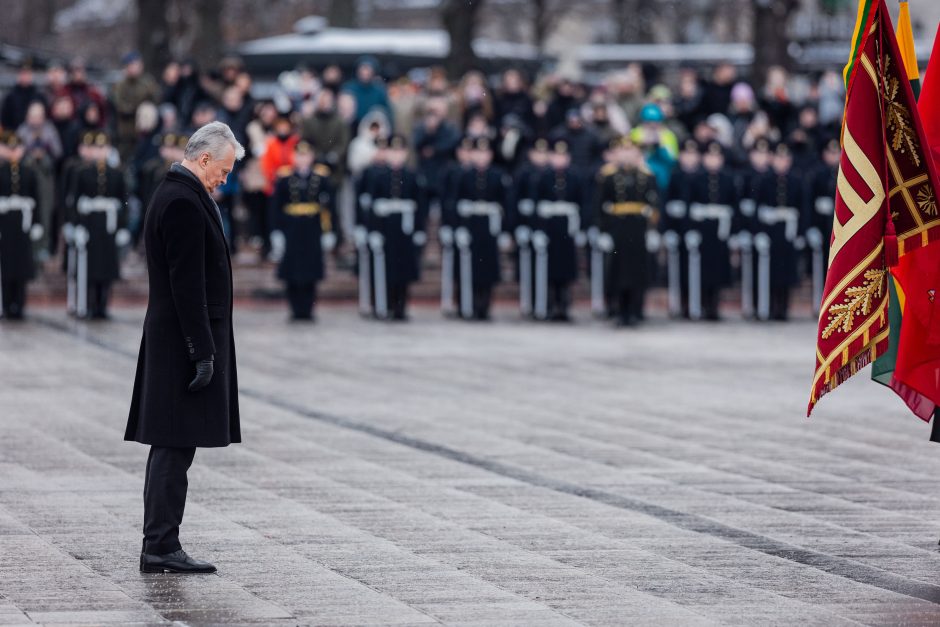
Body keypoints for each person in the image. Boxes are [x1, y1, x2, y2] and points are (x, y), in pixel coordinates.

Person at [125, 121, 244, 574]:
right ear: (205, 158)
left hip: (180, 336)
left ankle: (161, 541)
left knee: (174, 445)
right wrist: (202, 350)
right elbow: (186, 285)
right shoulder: (181, 201)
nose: (225, 180)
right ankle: (159, 544)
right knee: (173, 446)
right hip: (181, 340)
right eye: (225, 170)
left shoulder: (184, 195)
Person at [360, 135, 428, 320]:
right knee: (384, 269)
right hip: (385, 228)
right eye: (393, 151)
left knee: (403, 270)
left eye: (400, 151)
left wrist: (420, 230)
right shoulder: (377, 176)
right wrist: (372, 230)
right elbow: (371, 205)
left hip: (405, 229)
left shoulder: (412, 176)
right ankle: (382, 305)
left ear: (405, 154)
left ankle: (400, 307)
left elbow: (420, 205)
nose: (396, 155)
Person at [269, 141, 338, 321]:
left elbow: (330, 207)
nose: (302, 159)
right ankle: (295, 308)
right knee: (292, 270)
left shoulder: (321, 177)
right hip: (291, 227)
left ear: (311, 157)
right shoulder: (284, 177)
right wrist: (276, 231)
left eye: (306, 155)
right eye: (299, 155)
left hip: (312, 227)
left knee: (311, 270)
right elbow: (276, 206)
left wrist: (330, 231)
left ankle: (308, 308)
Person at [594, 136, 659, 326]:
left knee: (638, 270)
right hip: (617, 227)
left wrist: (654, 229)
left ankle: (636, 310)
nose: (627, 154)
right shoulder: (608, 176)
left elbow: (654, 203)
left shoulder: (646, 175)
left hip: (638, 227)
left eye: (631, 151)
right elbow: (599, 204)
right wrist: (602, 231)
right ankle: (619, 310)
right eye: (623, 151)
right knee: (618, 271)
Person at [64, 132, 128, 319]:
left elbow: (123, 201)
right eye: (97, 148)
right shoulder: (82, 172)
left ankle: (103, 305)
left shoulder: (117, 173)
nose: (100, 152)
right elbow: (74, 200)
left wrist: (122, 227)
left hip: (109, 226)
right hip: (90, 225)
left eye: (103, 148)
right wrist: (76, 225)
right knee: (90, 267)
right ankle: (89, 304)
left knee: (107, 267)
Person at [447, 136, 510, 320]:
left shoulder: (498, 176)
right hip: (470, 226)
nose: (481, 157)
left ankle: (484, 306)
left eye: (485, 152)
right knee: (468, 268)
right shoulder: (462, 175)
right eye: (477, 152)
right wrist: (456, 227)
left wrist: (505, 231)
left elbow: (505, 203)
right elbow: (453, 202)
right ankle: (466, 305)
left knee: (487, 269)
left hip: (490, 227)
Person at [532, 139, 590, 321]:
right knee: (548, 270)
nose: (559, 159)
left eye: (563, 155)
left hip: (567, 227)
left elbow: (583, 204)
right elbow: (535, 203)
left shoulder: (575, 176)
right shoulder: (542, 176)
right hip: (549, 227)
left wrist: (582, 229)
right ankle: (548, 306)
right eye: (556, 155)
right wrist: (537, 229)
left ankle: (564, 307)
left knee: (566, 270)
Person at [686, 140, 736, 320]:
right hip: (703, 229)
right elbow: (689, 205)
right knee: (703, 270)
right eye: (709, 156)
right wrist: (691, 228)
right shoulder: (696, 179)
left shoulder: (728, 179)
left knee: (718, 270)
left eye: (717, 156)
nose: (713, 160)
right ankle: (702, 305)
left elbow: (733, 205)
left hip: (720, 230)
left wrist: (735, 232)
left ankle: (714, 307)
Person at [0, 132, 41, 319]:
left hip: (23, 223)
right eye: (9, 148)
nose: (13, 152)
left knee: (21, 265)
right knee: (6, 265)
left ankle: (20, 304)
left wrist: (37, 223)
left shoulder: (29, 172)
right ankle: (7, 304)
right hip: (5, 222)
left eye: (17, 148)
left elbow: (36, 199)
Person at [112, 51, 161, 163]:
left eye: (137, 65)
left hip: (144, 131)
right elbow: (119, 105)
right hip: (126, 130)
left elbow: (156, 99)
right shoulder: (120, 85)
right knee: (125, 158)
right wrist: (136, 109)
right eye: (131, 65)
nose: (134, 68)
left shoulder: (147, 82)